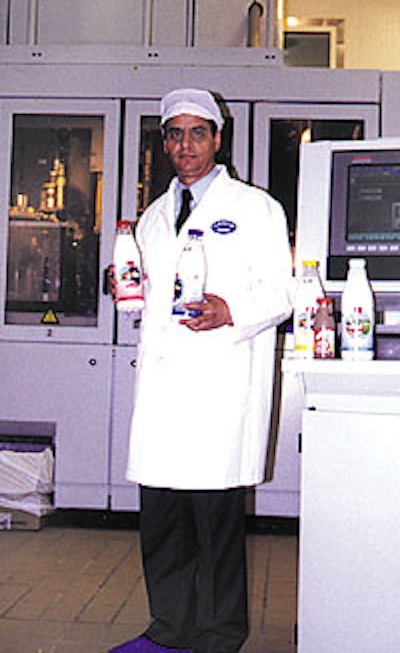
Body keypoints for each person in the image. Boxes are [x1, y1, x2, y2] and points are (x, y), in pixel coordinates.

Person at [111, 88, 293, 653]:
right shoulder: (153, 217)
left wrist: (229, 310)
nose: (185, 145)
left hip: (219, 388)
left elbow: (282, 293)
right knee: (163, 520)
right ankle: (168, 629)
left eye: (197, 132)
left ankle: (217, 635)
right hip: (166, 390)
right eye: (174, 133)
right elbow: (146, 292)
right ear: (164, 142)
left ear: (217, 138)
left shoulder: (255, 208)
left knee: (215, 525)